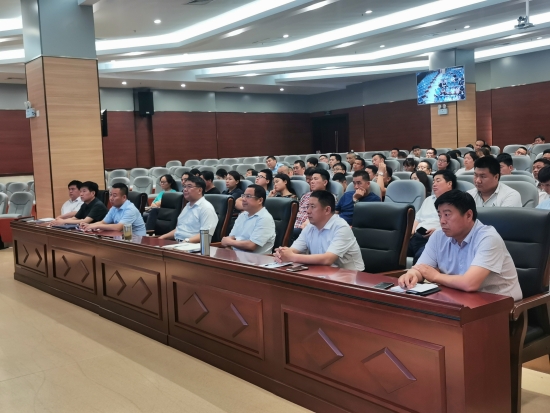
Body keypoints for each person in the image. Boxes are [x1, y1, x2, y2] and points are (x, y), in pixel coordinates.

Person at [398, 190, 522, 301]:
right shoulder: (438, 236)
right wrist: (412, 275)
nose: (442, 221)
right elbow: (422, 268)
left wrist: (435, 276)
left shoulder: (488, 238)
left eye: (447, 215)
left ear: (468, 215)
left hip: (499, 303)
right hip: (458, 298)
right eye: (439, 215)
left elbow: (469, 284)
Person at [275, 190, 364, 271]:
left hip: (351, 276)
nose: (308, 211)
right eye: (308, 206)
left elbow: (328, 259)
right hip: (323, 272)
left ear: (327, 210)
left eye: (312, 207)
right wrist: (282, 253)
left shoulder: (341, 227)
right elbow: (293, 250)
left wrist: (292, 257)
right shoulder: (309, 226)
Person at [408, 170, 456, 264]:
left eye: (438, 181)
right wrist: (411, 232)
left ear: (449, 183)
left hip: (435, 240)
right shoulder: (428, 199)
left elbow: (455, 224)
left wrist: (438, 231)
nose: (434, 184)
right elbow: (417, 219)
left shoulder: (455, 202)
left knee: (420, 257)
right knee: (395, 250)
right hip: (416, 236)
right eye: (433, 181)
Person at [159, 176, 218, 242]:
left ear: (199, 190)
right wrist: (162, 238)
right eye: (184, 186)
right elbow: (179, 230)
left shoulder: (206, 208)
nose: (185, 189)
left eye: (189, 186)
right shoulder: (187, 206)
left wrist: (186, 241)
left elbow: (205, 236)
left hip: (193, 245)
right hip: (178, 242)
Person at [221, 185, 276, 254]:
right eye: (243, 196)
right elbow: (231, 237)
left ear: (260, 200)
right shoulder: (243, 215)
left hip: (255, 259)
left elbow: (251, 246)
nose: (243, 199)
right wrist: (229, 247)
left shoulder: (265, 218)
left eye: (248, 196)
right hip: (236, 256)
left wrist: (230, 242)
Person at [81, 183, 146, 236]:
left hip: (137, 240)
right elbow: (103, 222)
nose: (111, 198)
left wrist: (96, 226)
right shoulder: (114, 208)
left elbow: (118, 227)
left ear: (124, 197)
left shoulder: (130, 209)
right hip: (123, 238)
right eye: (110, 195)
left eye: (114, 196)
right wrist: (88, 225)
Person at [294, 168, 333, 237]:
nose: (312, 181)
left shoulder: (329, 197)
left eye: (315, 179)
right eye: (311, 179)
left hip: (309, 228)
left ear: (325, 182)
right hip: (294, 226)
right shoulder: (305, 196)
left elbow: (325, 217)